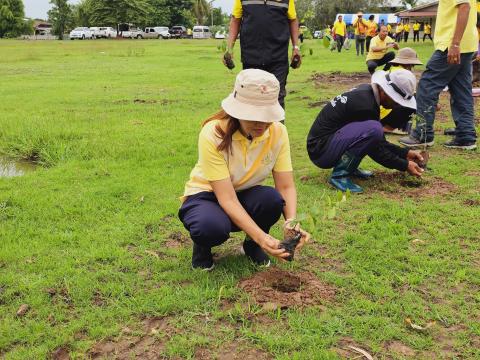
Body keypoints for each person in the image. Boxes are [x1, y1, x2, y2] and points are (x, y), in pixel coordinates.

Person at [179, 69, 310, 270]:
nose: (261, 123)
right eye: (253, 116)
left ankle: (250, 245)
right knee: (211, 227)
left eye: (266, 116)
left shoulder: (278, 132)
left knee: (272, 200)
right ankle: (202, 247)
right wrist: (263, 239)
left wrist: (291, 224)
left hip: (244, 193)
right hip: (207, 195)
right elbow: (227, 199)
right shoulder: (213, 133)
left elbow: (285, 186)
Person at [307, 69, 424, 193]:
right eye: (397, 100)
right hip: (321, 151)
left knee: (373, 131)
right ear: (385, 92)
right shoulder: (365, 106)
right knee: (373, 129)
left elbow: (379, 143)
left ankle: (350, 167)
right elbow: (377, 150)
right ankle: (339, 176)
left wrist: (405, 153)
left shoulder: (367, 94)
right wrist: (405, 165)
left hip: (325, 144)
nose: (397, 105)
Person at [399, 0, 478, 150]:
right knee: (461, 89)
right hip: (466, 44)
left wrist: (455, 43)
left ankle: (423, 134)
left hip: (452, 44)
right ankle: (466, 136)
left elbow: (464, 7)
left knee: (427, 85)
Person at [224, 0, 301, 109]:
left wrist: (296, 47)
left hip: (278, 58)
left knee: (276, 99)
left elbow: (293, 20)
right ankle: (253, 126)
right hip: (251, 58)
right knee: (251, 99)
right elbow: (236, 20)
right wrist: (229, 48)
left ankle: (276, 126)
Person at [381, 48, 423, 135]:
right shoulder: (403, 74)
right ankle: (389, 127)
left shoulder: (392, 70)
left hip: (380, 113)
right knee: (414, 100)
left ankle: (393, 126)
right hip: (386, 113)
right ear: (408, 64)